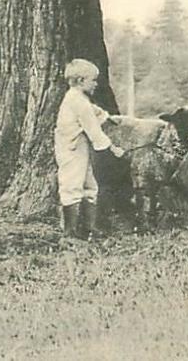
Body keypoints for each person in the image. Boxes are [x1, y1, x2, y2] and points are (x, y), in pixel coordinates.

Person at [55, 59, 124, 240]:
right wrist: (113, 148)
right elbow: (93, 130)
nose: (96, 84)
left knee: (90, 185)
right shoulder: (77, 102)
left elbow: (94, 111)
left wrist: (107, 117)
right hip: (71, 147)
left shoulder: (78, 98)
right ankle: (70, 233)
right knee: (72, 185)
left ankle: (89, 228)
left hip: (80, 147)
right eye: (93, 80)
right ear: (80, 81)